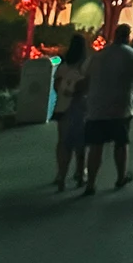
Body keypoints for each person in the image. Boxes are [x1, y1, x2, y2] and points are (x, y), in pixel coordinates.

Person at [82, 23, 133, 195]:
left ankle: (91, 183)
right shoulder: (132, 55)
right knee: (121, 143)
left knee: (96, 146)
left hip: (96, 107)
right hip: (121, 107)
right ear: (128, 36)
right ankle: (120, 176)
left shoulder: (99, 55)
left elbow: (85, 73)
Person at [52, 33, 89, 190]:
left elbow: (56, 86)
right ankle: (80, 174)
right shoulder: (85, 66)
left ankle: (61, 174)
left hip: (62, 107)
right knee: (81, 144)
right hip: (81, 108)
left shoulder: (63, 66)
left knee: (63, 142)